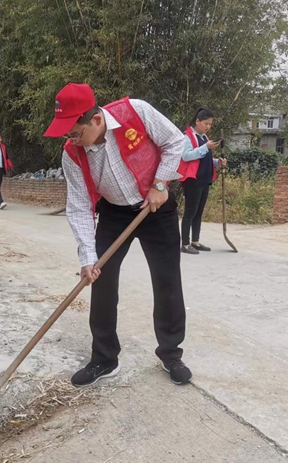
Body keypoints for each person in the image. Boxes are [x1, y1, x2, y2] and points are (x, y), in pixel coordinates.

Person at [44, 83, 191, 388]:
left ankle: (170, 354)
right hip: (113, 214)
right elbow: (80, 206)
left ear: (95, 120)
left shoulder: (134, 111)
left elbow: (175, 142)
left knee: (167, 281)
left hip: (155, 207)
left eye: (75, 132)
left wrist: (161, 184)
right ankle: (104, 358)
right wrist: (87, 257)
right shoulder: (72, 154)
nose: (71, 140)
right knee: (101, 281)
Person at [176, 108, 227, 254]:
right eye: (206, 123)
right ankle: (185, 244)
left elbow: (205, 159)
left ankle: (195, 241)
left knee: (199, 212)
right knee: (190, 212)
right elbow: (186, 156)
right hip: (193, 180)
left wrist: (218, 163)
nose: (208, 127)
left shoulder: (205, 138)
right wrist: (205, 147)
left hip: (205, 179)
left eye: (210, 124)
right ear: (197, 121)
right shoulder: (187, 137)